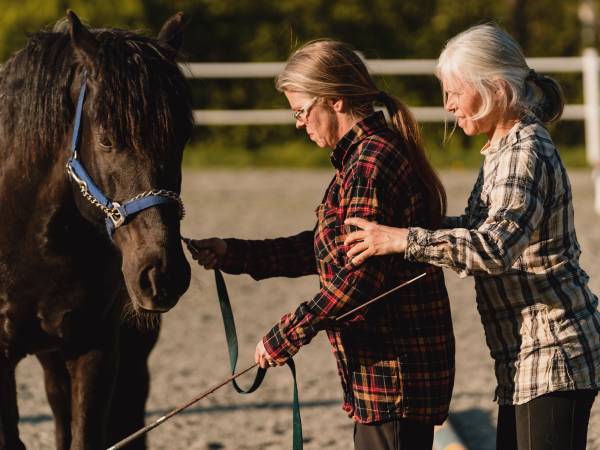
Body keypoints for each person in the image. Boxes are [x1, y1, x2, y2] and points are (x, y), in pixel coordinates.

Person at [187, 39, 455, 450]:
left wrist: (287, 334)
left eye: (300, 111)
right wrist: (234, 252)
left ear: (334, 101)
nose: (298, 123)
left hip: (394, 373)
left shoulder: (370, 164)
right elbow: (323, 248)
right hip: (383, 376)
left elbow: (359, 281)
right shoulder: (360, 158)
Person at [343, 24, 600, 450]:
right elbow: (480, 228)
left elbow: (494, 249)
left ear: (496, 88)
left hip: (554, 354)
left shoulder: (524, 153)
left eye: (455, 92)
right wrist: (412, 227)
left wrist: (404, 240)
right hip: (525, 358)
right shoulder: (503, 148)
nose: (448, 106)